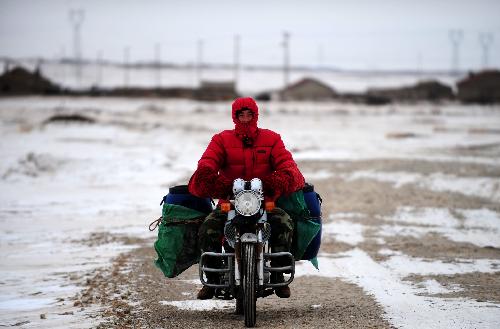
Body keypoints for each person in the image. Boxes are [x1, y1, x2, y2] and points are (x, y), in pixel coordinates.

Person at [188, 97, 305, 300]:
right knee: (208, 229)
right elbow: (208, 160)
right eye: (240, 114)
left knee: (284, 223)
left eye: (248, 114)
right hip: (230, 202)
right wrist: (208, 175)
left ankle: (277, 274)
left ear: (255, 115)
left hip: (263, 202)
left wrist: (279, 179)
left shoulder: (272, 139)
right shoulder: (221, 139)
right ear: (234, 116)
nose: (245, 118)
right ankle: (212, 278)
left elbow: (287, 163)